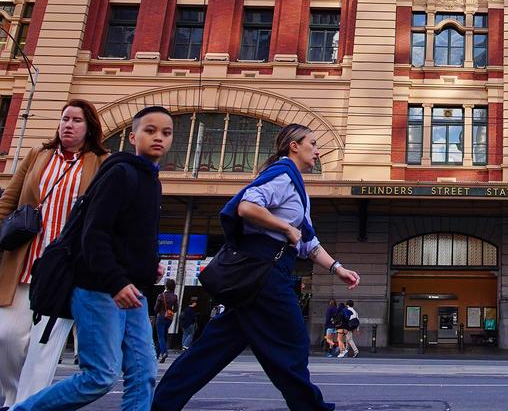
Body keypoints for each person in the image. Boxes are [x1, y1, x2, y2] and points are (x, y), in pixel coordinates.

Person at [151, 123, 361, 411]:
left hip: (261, 274)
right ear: (294, 146)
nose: (317, 149)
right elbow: (247, 206)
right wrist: (285, 228)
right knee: (292, 343)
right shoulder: (283, 174)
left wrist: (337, 268)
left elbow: (307, 242)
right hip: (266, 275)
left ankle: (162, 404)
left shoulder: (294, 183)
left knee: (213, 348)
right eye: (312, 143)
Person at [12, 106, 173, 411]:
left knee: (144, 373)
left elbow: (131, 236)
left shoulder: (151, 180)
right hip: (100, 289)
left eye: (166, 133)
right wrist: (115, 281)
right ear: (133, 135)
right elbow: (94, 234)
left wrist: (147, 266)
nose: (159, 138)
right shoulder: (120, 173)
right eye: (150, 130)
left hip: (133, 291)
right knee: (100, 375)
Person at [0, 100, 109, 407]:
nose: (68, 125)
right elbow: (8, 204)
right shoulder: (37, 156)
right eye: (65, 118)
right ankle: (15, 396)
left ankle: (21, 406)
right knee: (1, 336)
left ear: (90, 128)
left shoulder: (101, 162)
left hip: (64, 270)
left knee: (42, 350)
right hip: (24, 261)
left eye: (76, 120)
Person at [153, 279, 178, 363]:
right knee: (163, 335)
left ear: (166, 286)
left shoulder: (161, 295)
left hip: (161, 317)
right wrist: (170, 311)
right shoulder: (175, 296)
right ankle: (156, 355)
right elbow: (176, 309)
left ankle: (164, 352)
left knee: (160, 337)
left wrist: (158, 313)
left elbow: (156, 308)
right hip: (169, 318)